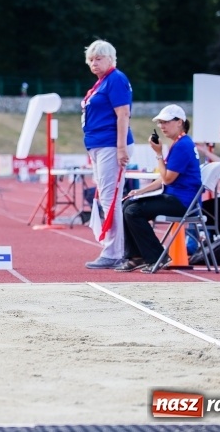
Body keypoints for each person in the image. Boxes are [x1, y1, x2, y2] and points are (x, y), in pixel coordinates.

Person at [117, 105, 202, 272]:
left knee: (133, 210)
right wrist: (140, 192)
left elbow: (168, 179)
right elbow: (165, 177)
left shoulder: (182, 145)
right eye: (160, 123)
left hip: (182, 202)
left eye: (166, 122)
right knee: (128, 204)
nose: (162, 126)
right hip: (176, 198)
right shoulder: (180, 143)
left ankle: (156, 257)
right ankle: (136, 256)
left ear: (179, 122)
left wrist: (158, 154)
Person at [81, 40, 135, 269]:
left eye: (99, 58)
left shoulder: (115, 79)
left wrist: (121, 147)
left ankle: (114, 251)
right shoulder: (102, 83)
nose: (94, 63)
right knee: (106, 196)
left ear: (111, 59)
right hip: (101, 145)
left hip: (111, 146)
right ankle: (116, 248)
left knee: (109, 198)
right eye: (91, 59)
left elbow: (123, 114)